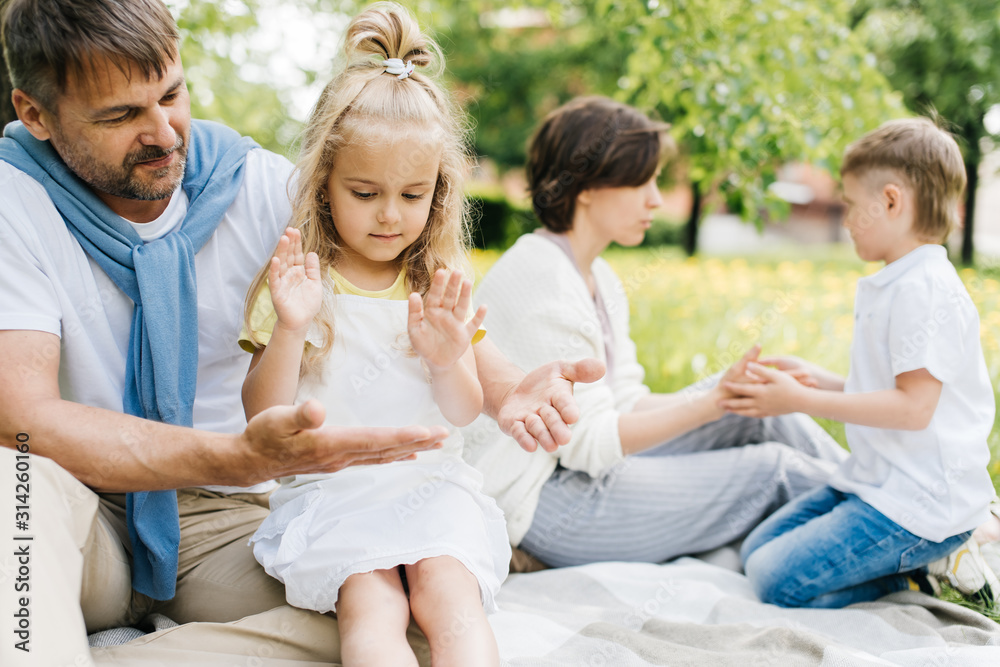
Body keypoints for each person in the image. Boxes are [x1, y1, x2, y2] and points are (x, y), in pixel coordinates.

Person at [0, 1, 598, 665]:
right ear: (35, 115)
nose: (165, 131)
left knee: (409, 606)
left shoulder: (252, 185)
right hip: (84, 502)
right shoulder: (14, 201)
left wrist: (509, 385)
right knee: (7, 497)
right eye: (121, 114)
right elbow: (22, 418)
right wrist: (236, 454)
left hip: (219, 517)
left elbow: (394, 274)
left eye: (172, 94)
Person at [463, 96, 848, 569]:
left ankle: (900, 489)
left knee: (756, 399)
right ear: (586, 187)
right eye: (641, 181)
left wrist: (725, 394)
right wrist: (710, 403)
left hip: (579, 470)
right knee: (775, 473)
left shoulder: (597, 275)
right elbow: (591, 447)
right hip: (542, 503)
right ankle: (905, 524)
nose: (656, 199)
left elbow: (624, 399)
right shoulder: (543, 278)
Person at [239, 6, 508, 664]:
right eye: (365, 192)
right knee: (373, 600)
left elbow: (465, 411)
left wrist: (449, 361)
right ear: (324, 184)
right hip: (339, 493)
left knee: (449, 592)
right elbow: (262, 414)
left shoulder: (436, 283)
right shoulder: (309, 280)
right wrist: (292, 326)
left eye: (413, 195)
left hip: (431, 486)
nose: (391, 215)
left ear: (438, 194)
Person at [725, 117, 998, 608]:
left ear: (892, 201)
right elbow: (887, 390)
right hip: (875, 481)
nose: (846, 218)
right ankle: (917, 564)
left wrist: (802, 400)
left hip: (919, 506)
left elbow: (913, 409)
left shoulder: (925, 288)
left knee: (773, 581)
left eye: (851, 204)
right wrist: (821, 381)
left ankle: (923, 572)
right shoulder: (900, 279)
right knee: (755, 551)